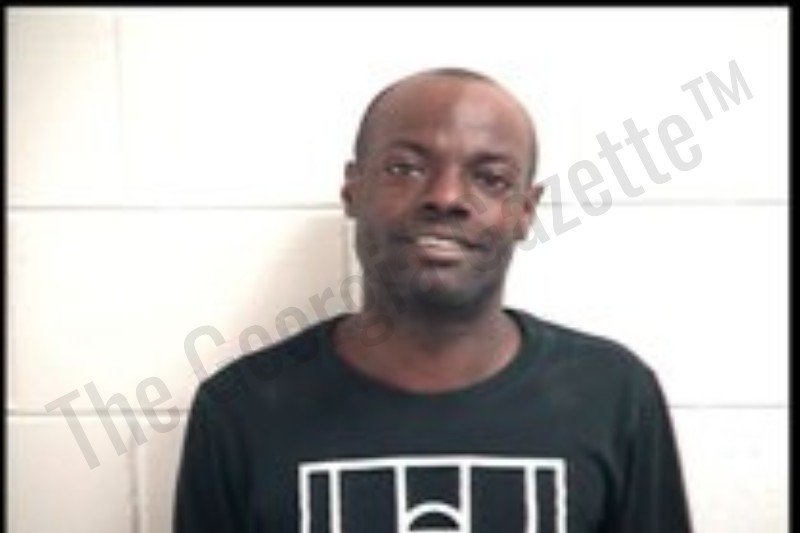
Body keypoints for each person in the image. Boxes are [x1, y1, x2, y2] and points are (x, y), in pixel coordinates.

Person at [173, 67, 694, 533]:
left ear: (526, 211)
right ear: (353, 189)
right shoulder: (241, 410)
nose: (446, 197)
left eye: (490, 178)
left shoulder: (613, 396)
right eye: (405, 168)